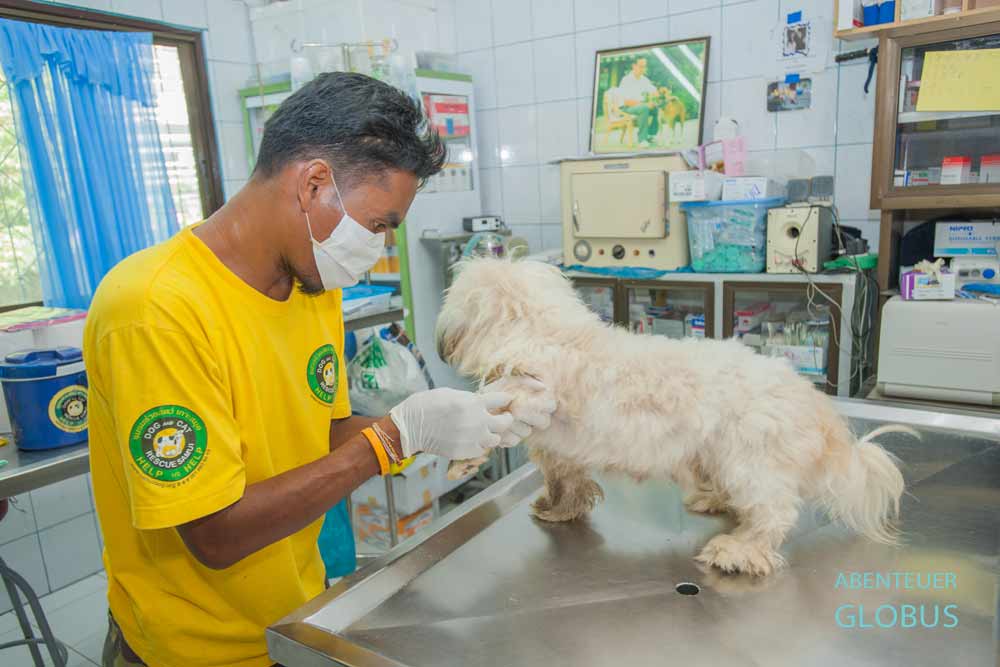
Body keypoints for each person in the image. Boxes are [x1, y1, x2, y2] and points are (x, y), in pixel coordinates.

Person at [83, 72, 556, 667]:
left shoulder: (312, 285)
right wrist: (391, 437)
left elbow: (322, 434)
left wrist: (451, 425)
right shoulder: (155, 309)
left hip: (296, 620)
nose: (379, 246)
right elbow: (215, 534)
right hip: (194, 650)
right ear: (313, 183)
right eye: (379, 223)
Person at [617, 57, 659, 148]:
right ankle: (642, 140)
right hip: (626, 108)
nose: (643, 69)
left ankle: (650, 135)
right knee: (644, 108)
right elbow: (626, 101)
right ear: (634, 66)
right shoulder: (626, 80)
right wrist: (644, 104)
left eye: (644, 67)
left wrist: (654, 98)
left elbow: (653, 91)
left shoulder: (644, 80)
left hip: (638, 106)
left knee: (655, 107)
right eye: (641, 66)